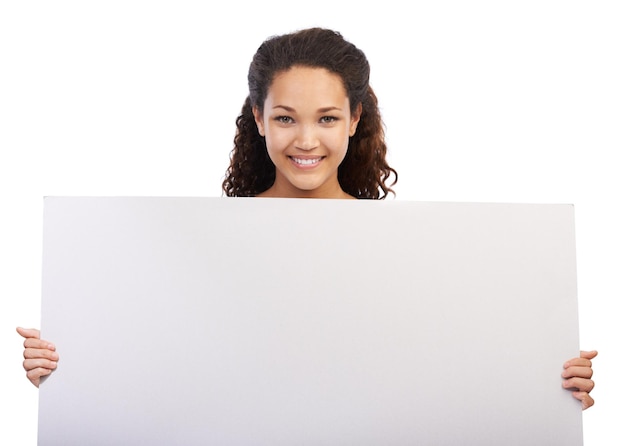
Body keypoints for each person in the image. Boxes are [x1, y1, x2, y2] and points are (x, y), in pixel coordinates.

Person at [17, 27, 597, 410]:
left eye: (325, 118)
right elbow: (167, 369)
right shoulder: (201, 248)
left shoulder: (407, 252)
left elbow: (441, 369)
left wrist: (546, 378)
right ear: (259, 118)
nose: (306, 140)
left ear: (354, 118)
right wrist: (68, 368)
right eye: (287, 117)